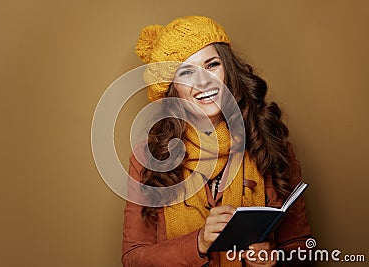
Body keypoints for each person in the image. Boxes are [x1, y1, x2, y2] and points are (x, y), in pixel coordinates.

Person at [122, 16, 313, 267]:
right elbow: (132, 259)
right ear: (172, 88)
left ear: (228, 70)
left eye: (211, 65)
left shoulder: (271, 145)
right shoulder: (149, 159)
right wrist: (199, 242)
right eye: (187, 72)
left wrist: (276, 259)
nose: (204, 81)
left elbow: (304, 251)